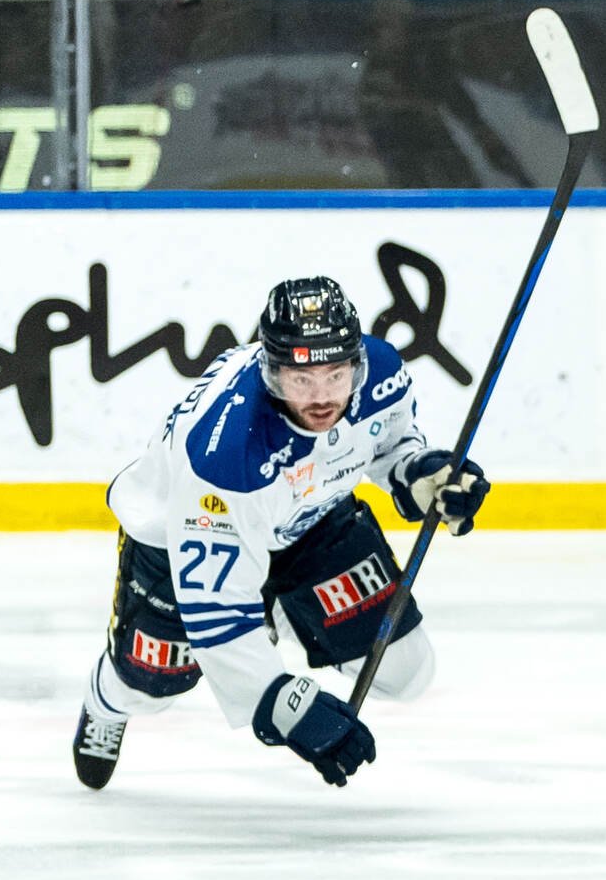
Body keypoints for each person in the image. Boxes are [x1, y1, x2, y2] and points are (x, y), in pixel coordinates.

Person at [71, 276, 490, 791]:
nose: (321, 398)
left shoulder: (381, 372)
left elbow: (388, 443)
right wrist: (286, 705)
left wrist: (423, 474)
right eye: (301, 381)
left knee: (405, 670)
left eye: (336, 376)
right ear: (271, 373)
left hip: (307, 518)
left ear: (356, 362)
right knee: (151, 684)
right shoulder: (225, 460)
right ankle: (105, 698)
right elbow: (218, 608)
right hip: (178, 537)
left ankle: (289, 611)